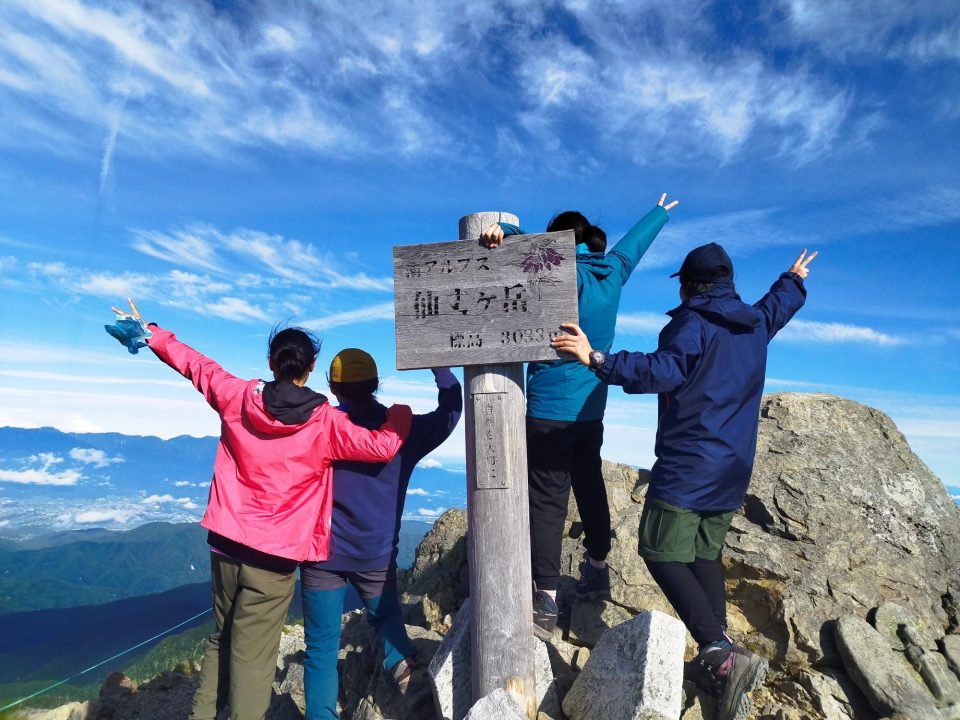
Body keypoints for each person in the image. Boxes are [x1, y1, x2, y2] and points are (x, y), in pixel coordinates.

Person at [105, 300, 413, 720]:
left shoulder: (236, 396)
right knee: (254, 658)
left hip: (225, 546)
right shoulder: (325, 423)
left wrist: (153, 334)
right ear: (311, 366)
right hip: (275, 558)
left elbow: (196, 365)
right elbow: (381, 446)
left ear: (271, 361)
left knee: (222, 638)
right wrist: (400, 413)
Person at [550, 245, 818, 720]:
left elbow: (663, 370)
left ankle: (719, 652)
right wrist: (792, 280)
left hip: (689, 462)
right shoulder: (753, 324)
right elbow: (778, 307)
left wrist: (594, 357)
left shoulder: (690, 324)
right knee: (702, 554)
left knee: (658, 549)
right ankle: (719, 650)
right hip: (733, 465)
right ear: (728, 281)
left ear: (687, 285)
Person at [480, 193, 677, 637]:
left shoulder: (554, 272)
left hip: (548, 410)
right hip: (591, 409)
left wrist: (504, 231)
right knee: (589, 485)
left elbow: (522, 244)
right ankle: (597, 568)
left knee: (548, 501)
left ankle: (546, 600)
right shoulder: (613, 273)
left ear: (557, 242)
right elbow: (633, 245)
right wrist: (659, 212)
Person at [298, 349, 462, 720]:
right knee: (385, 614)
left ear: (333, 386)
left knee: (321, 647)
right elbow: (450, 413)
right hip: (375, 555)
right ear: (375, 384)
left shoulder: (319, 426)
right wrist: (441, 369)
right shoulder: (404, 430)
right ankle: (404, 669)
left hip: (322, 553)